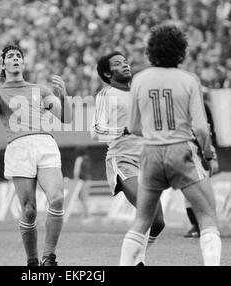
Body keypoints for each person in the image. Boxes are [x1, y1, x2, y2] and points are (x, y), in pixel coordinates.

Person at [120, 24, 221, 266]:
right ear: (181, 51)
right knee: (207, 217)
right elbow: (200, 128)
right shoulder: (189, 80)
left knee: (141, 221)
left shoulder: (140, 80)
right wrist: (208, 153)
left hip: (150, 155)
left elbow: (133, 127)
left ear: (151, 51)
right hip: (181, 151)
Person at [0, 45, 72, 266]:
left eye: (18, 56)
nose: (14, 59)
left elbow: (66, 118)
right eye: (9, 56)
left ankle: (49, 258)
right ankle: (32, 262)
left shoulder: (39, 89)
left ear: (23, 63)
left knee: (58, 198)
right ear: (3, 65)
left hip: (45, 143)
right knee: (29, 210)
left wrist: (64, 96)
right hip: (18, 147)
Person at [91, 51, 165, 265]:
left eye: (125, 62)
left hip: (147, 161)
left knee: (158, 222)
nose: (124, 65)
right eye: (117, 63)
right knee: (146, 208)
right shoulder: (106, 95)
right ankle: (135, 261)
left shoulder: (139, 93)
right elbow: (96, 131)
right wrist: (123, 130)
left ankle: (137, 258)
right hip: (122, 159)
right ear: (107, 73)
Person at [184, 92, 220, 238]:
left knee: (200, 189)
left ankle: (202, 225)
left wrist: (212, 155)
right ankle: (199, 225)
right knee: (190, 191)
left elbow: (209, 132)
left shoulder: (203, 107)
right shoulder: (180, 105)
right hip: (186, 151)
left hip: (199, 152)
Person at [72, 146, 93, 222]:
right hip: (88, 180)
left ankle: (86, 217)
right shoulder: (87, 158)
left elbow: (76, 171)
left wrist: (75, 181)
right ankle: (85, 215)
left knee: (82, 200)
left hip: (81, 181)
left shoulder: (79, 159)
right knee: (85, 199)